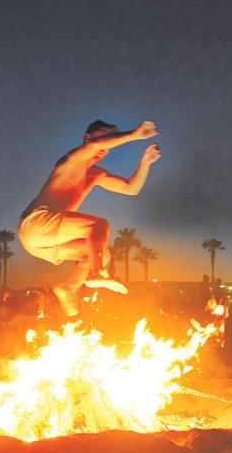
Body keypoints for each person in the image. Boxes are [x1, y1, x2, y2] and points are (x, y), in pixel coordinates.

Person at [18, 120, 162, 316]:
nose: (105, 147)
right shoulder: (71, 160)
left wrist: (145, 163)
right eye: (104, 136)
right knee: (98, 226)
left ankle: (69, 288)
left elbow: (131, 188)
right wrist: (135, 134)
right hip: (37, 222)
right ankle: (96, 274)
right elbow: (95, 146)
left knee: (100, 252)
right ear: (87, 138)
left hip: (41, 243)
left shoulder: (96, 174)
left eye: (108, 141)